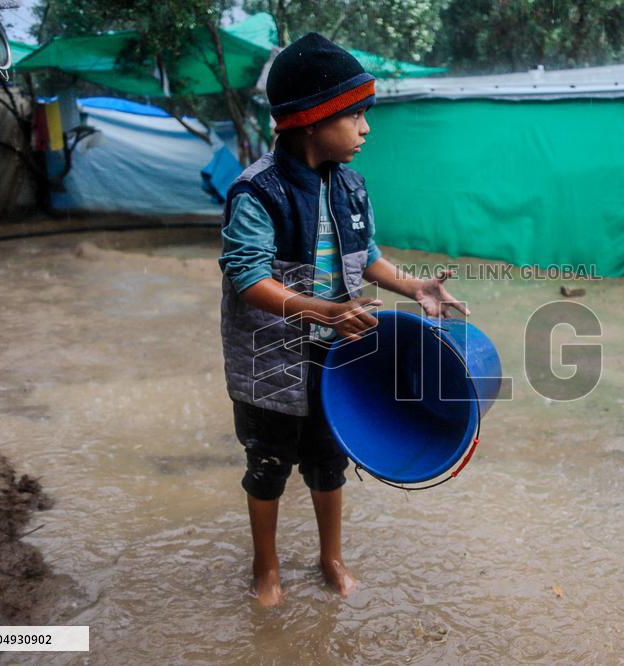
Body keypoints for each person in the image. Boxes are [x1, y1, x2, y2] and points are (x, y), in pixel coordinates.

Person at [218, 32, 468, 607]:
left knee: (329, 461)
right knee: (268, 463)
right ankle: (266, 568)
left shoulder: (352, 186)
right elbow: (249, 280)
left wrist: (413, 285)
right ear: (311, 120)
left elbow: (367, 256)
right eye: (355, 115)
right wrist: (324, 309)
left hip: (338, 355)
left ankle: (331, 558)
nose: (366, 128)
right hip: (269, 362)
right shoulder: (258, 192)